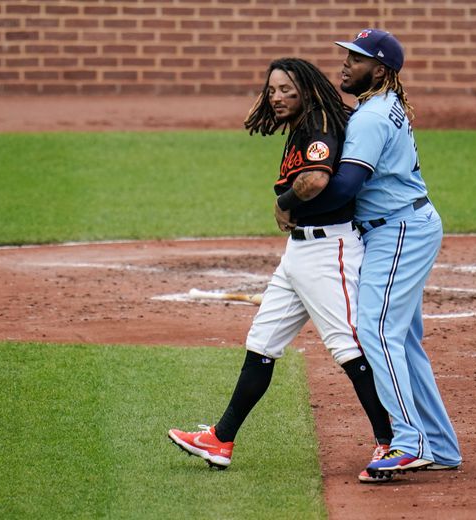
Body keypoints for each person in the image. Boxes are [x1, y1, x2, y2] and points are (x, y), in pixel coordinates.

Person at [168, 57, 394, 484]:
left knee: (347, 347)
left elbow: (315, 180)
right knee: (263, 341)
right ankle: (221, 439)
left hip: (329, 251)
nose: (277, 97)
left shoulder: (320, 123)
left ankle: (389, 441)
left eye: (287, 89)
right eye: (272, 90)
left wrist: (283, 202)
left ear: (307, 89)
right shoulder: (309, 121)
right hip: (299, 255)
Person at [276, 29, 462, 480]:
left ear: (379, 70)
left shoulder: (373, 118)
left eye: (356, 59)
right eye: (345, 56)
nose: (344, 64)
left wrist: (288, 203)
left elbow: (343, 186)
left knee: (376, 330)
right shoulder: (378, 107)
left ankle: (408, 441)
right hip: (400, 227)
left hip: (398, 230)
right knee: (401, 338)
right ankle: (437, 443)